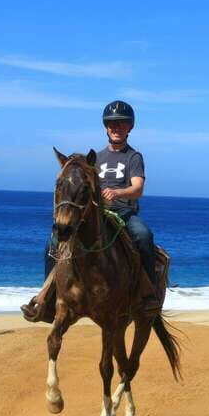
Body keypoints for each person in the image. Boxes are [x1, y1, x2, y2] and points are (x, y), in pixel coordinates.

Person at [44, 100, 159, 307]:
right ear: (106, 127)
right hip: (96, 212)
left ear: (129, 127)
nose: (117, 128)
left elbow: (138, 188)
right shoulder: (94, 158)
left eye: (122, 124)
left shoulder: (133, 157)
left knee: (144, 235)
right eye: (113, 124)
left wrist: (117, 193)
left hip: (123, 212)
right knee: (54, 241)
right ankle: (48, 296)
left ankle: (148, 292)